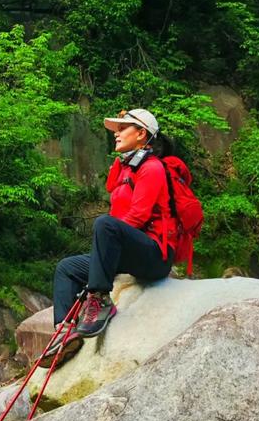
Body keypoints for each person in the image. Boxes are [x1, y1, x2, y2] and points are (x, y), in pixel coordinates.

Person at [40, 108, 176, 367]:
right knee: (66, 268)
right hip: (129, 251)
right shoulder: (126, 169)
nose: (116, 134)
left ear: (141, 133)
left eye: (122, 128)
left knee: (105, 223)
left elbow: (138, 217)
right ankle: (63, 333)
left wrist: (104, 252)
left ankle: (100, 299)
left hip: (155, 254)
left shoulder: (152, 167)